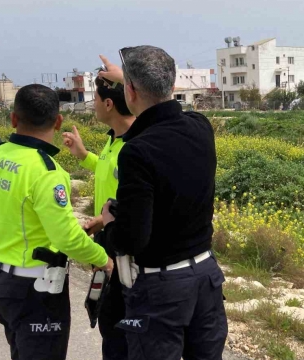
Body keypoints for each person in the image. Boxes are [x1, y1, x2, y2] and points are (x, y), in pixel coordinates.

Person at [98, 46, 227, 360]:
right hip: (205, 275)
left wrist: (109, 223)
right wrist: (128, 79)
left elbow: (132, 238)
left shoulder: (138, 151)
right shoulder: (200, 127)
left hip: (161, 287)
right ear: (172, 85)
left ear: (129, 91)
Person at [0, 84, 114, 360]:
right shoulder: (47, 171)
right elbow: (65, 237)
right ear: (58, 122)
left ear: (14, 119)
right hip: (36, 290)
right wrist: (102, 259)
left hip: (3, 283)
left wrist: (10, 239)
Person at [62, 76, 135, 360]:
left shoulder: (135, 145)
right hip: (106, 237)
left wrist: (101, 222)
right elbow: (110, 170)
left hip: (123, 244)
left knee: (119, 321)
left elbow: (131, 201)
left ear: (108, 103)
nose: (92, 104)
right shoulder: (113, 140)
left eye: (94, 98)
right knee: (106, 315)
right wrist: (83, 155)